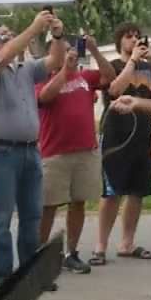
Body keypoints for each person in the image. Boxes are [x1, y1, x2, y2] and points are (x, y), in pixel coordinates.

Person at [0, 11, 64, 289]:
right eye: (2, 36)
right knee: (2, 217)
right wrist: (32, 29)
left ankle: (30, 273)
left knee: (32, 215)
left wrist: (56, 35)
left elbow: (56, 61)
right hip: (2, 153)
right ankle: (2, 275)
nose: (8, 39)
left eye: (10, 34)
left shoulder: (26, 69)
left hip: (31, 151)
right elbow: (2, 56)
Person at [93, 23, 151, 266]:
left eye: (137, 36)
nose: (135, 40)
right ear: (120, 43)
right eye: (129, 37)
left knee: (138, 190)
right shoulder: (114, 66)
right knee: (112, 191)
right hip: (117, 135)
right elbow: (115, 89)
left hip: (143, 134)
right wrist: (132, 62)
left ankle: (127, 242)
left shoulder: (149, 68)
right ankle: (101, 245)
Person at [36, 32, 115, 274]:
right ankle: (39, 257)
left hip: (85, 151)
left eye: (71, 48)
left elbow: (109, 77)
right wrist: (64, 72)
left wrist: (94, 49)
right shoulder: (41, 76)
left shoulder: (85, 76)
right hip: (55, 152)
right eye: (63, 49)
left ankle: (71, 253)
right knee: (49, 205)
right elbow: (45, 97)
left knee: (78, 202)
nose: (69, 52)